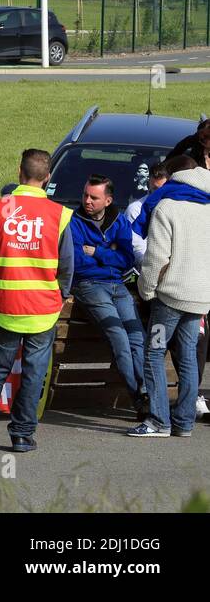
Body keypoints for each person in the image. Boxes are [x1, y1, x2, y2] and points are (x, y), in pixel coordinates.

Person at [0, 149, 74, 454]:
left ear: (20, 173)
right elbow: (67, 267)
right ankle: (22, 435)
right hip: (43, 309)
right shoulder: (59, 215)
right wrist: (59, 296)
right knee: (34, 372)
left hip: (6, 304)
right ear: (47, 178)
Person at [130, 161, 210, 438]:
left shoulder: (167, 207)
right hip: (200, 296)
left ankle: (158, 420)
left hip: (170, 295)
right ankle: (184, 423)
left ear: (175, 178)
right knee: (188, 355)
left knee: (153, 353)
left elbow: (156, 258)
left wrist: (147, 289)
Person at [68, 174, 145, 415]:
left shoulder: (119, 222)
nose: (87, 201)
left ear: (108, 200)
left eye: (94, 197)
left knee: (137, 336)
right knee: (119, 337)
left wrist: (97, 253)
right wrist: (109, 254)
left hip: (117, 284)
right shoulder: (73, 221)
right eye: (85, 195)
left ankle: (146, 391)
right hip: (88, 285)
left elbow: (127, 259)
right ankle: (140, 399)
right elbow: (78, 263)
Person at [125, 160, 169, 264]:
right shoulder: (136, 210)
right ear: (149, 183)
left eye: (162, 190)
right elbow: (137, 248)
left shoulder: (179, 207)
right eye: (155, 189)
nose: (158, 194)